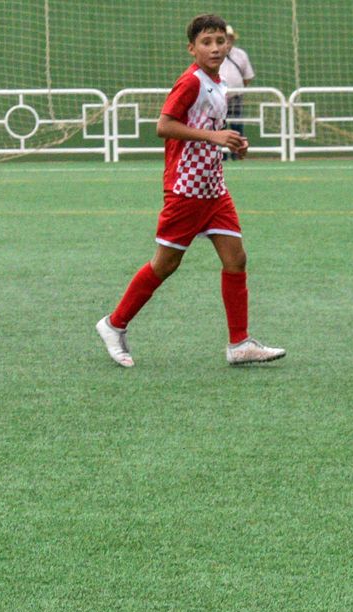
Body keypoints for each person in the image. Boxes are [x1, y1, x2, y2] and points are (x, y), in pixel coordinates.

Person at [95, 14, 284, 368]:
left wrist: (232, 142)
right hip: (186, 189)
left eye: (220, 41)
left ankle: (239, 344)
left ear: (228, 45)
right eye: (206, 42)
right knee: (165, 264)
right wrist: (214, 137)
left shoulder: (218, 82)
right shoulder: (191, 82)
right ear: (192, 48)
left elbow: (209, 128)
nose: (215, 48)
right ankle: (113, 324)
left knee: (236, 259)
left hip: (213, 188)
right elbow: (164, 126)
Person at [219, 24, 254, 153]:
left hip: (236, 97)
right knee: (219, 127)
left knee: (237, 126)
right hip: (217, 97)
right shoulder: (215, 54)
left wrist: (237, 88)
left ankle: (237, 153)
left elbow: (247, 76)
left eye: (230, 38)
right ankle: (221, 156)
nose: (227, 41)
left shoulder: (241, 55)